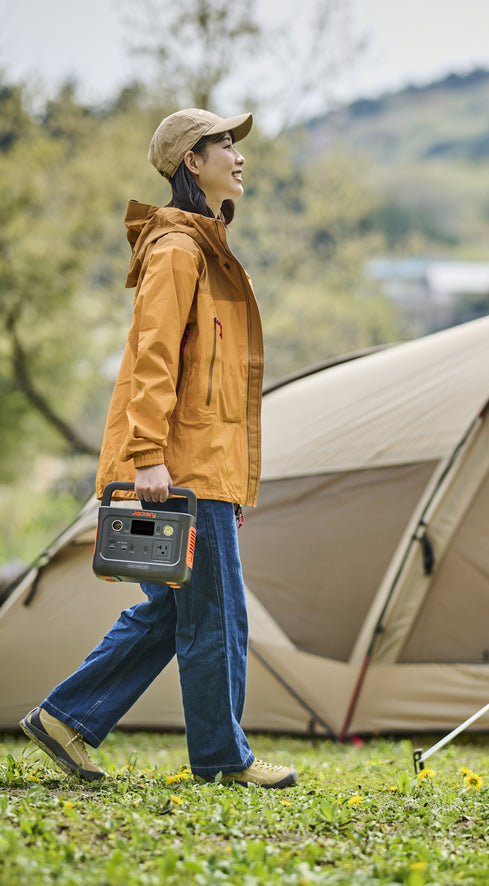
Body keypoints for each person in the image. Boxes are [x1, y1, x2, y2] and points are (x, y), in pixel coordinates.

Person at [20, 108, 297, 790]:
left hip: (204, 470)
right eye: (223, 144)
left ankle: (65, 719)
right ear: (190, 162)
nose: (238, 155)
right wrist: (146, 456)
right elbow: (152, 360)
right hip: (174, 470)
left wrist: (231, 485)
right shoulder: (178, 252)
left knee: (179, 609)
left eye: (236, 143)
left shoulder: (205, 247)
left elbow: (218, 387)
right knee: (213, 616)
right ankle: (224, 759)